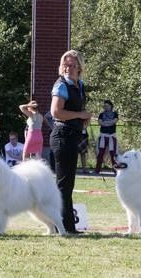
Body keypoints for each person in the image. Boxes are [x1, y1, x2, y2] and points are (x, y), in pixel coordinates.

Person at [50, 50, 92, 234]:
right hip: (62, 135)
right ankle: (64, 227)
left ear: (79, 68)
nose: (68, 68)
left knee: (68, 184)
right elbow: (56, 112)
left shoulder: (79, 85)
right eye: (66, 64)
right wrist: (79, 115)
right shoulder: (61, 85)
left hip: (72, 135)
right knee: (64, 185)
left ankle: (66, 226)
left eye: (72, 65)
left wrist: (83, 119)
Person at [94, 100, 118, 174]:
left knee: (113, 153)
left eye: (107, 106)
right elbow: (100, 122)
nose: (106, 107)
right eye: (105, 106)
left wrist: (105, 123)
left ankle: (115, 170)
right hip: (103, 136)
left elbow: (114, 121)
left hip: (112, 136)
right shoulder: (101, 114)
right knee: (100, 153)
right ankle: (97, 170)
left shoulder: (115, 114)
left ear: (111, 106)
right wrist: (108, 123)